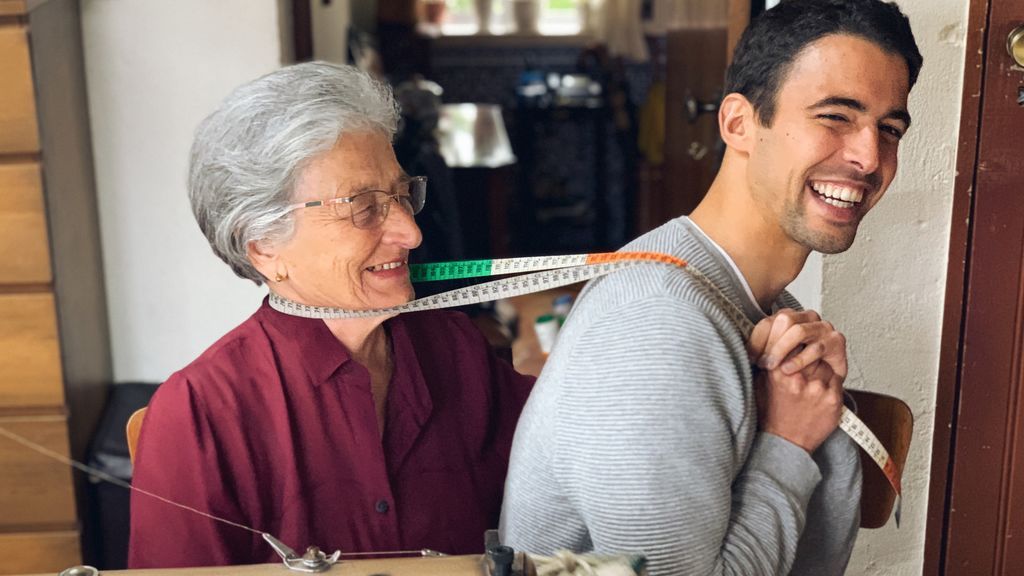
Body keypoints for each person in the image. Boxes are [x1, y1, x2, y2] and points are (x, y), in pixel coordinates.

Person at [499, 1, 922, 574]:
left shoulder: (760, 306)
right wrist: (789, 444)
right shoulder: (653, 325)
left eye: (889, 128)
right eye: (835, 116)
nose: (870, 157)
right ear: (738, 124)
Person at [128, 62, 534, 568]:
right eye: (364, 207)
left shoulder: (454, 346)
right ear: (264, 247)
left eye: (402, 195)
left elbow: (563, 450)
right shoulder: (202, 414)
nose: (411, 233)